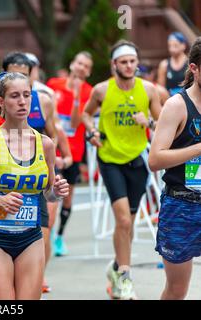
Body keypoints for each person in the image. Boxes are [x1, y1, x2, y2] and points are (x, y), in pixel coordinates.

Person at [0, 72, 69, 299]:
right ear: (1, 102)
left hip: (31, 237)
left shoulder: (45, 144)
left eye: (26, 95)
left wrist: (55, 192)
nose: (22, 101)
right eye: (15, 96)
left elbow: (47, 193)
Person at [82, 40, 161, 300]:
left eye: (132, 61)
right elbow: (85, 114)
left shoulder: (149, 90)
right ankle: (126, 279)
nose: (128, 66)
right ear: (114, 64)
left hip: (138, 160)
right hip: (110, 158)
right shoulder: (101, 90)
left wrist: (147, 121)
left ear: (137, 63)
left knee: (128, 223)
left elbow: (162, 124)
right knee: (124, 221)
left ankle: (116, 269)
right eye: (123, 61)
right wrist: (92, 131)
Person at [0, 52, 73, 293]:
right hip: (5, 182)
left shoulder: (44, 101)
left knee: (43, 231)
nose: (21, 99)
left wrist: (65, 156)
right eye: (12, 75)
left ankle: (38, 274)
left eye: (25, 79)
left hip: (37, 176)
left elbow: (55, 130)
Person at [149, 37, 201, 300]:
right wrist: (198, 148)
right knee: (177, 290)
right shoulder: (176, 105)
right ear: (194, 68)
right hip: (182, 206)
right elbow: (155, 159)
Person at [46, 51, 94, 256]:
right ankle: (44, 236)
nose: (81, 67)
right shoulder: (53, 84)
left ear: (89, 71)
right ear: (72, 64)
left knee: (67, 196)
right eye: (79, 63)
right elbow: (46, 114)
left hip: (73, 152)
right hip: (51, 148)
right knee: (49, 193)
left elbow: (74, 124)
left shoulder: (89, 92)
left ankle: (59, 237)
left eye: (86, 66)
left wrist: (75, 97)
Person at [157, 32, 189, 97]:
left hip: (187, 98)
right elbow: (160, 88)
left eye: (175, 46)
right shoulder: (164, 64)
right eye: (170, 46)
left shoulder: (190, 63)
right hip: (169, 98)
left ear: (183, 46)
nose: (172, 49)